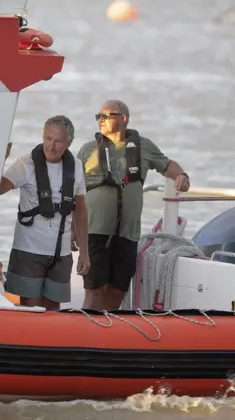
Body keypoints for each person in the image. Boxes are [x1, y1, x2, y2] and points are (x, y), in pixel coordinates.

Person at [74, 99, 190, 311]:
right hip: (94, 232)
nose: (101, 120)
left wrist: (181, 176)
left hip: (128, 233)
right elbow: (72, 191)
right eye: (98, 116)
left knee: (117, 291)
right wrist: (72, 230)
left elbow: (167, 165)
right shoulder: (87, 150)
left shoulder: (143, 146)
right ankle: (86, 334)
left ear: (123, 118)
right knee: (95, 290)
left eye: (106, 116)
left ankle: (106, 336)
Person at [0, 115, 90, 311]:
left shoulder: (76, 166)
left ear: (68, 142)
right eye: (48, 138)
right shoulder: (26, 164)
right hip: (29, 251)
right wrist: (0, 157)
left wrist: (84, 252)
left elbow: (81, 211)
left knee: (53, 311)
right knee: (30, 310)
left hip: (61, 253)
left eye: (58, 141)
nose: (51, 145)